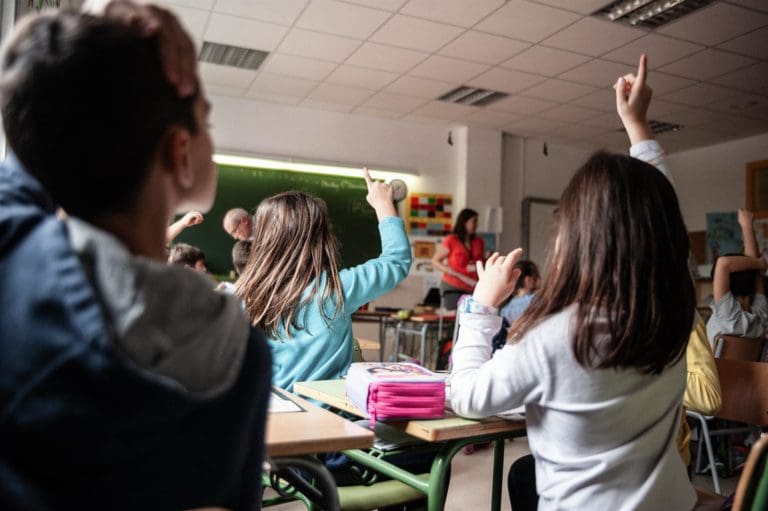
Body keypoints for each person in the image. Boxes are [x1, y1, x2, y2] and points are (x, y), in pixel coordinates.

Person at [0, 5, 271, 510]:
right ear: (180, 153)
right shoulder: (243, 357)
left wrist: (82, 41)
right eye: (206, 121)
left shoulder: (14, 266)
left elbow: (24, 161)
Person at [449, 55, 697, 511]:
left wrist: (481, 307)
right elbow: (664, 221)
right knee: (525, 475)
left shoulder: (556, 336)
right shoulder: (672, 311)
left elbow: (466, 397)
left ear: (576, 239)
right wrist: (638, 127)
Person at [236, 168, 411, 391]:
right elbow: (396, 261)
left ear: (263, 239)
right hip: (333, 419)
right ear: (321, 238)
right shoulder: (336, 289)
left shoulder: (245, 295)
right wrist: (383, 204)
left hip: (274, 415)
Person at [706, 208, 768, 349]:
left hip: (715, 370)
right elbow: (753, 268)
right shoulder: (761, 312)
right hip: (743, 371)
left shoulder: (729, 315)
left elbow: (723, 264)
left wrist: (760, 263)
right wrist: (746, 225)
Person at [431, 208, 484, 310]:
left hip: (474, 285)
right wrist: (448, 270)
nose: (477, 225)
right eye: (474, 221)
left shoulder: (479, 241)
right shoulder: (451, 240)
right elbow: (435, 261)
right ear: (464, 222)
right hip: (454, 285)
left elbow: (480, 261)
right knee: (459, 313)